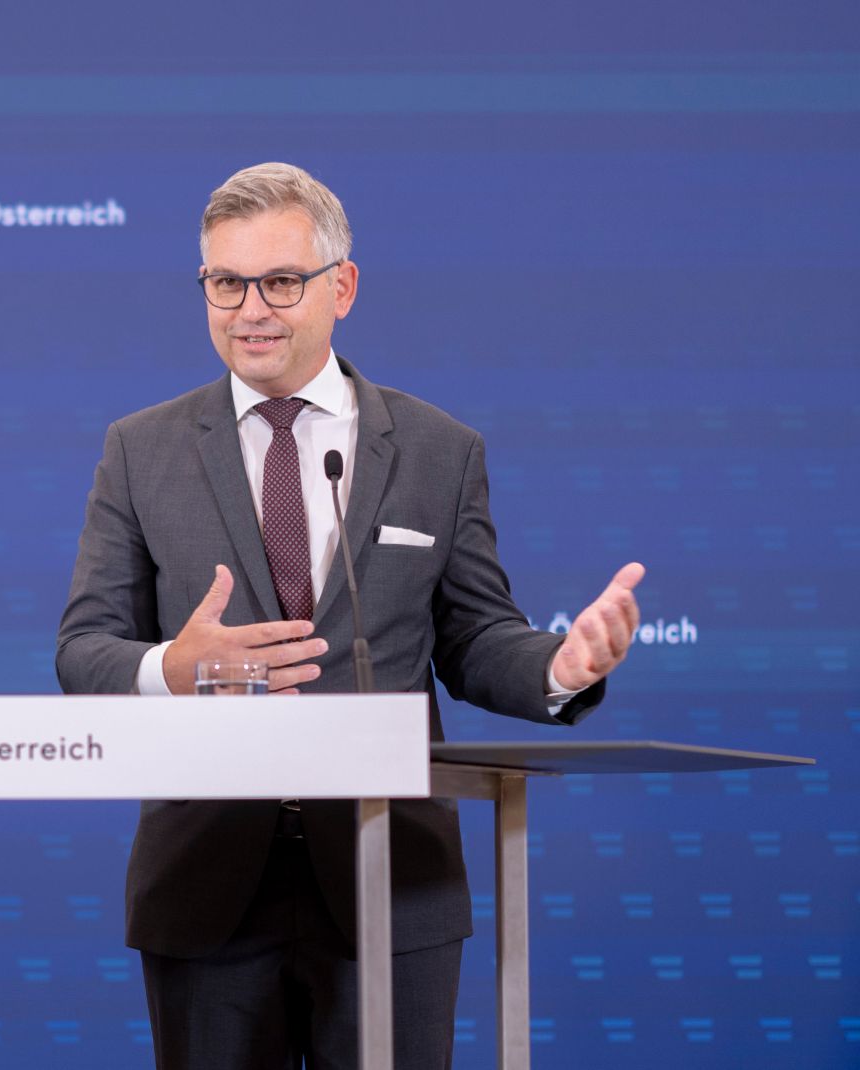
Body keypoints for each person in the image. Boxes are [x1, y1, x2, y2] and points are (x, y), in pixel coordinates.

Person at [55, 163, 644, 1069]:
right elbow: (83, 649)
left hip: (394, 881)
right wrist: (174, 668)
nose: (251, 308)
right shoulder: (142, 450)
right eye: (225, 282)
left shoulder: (440, 452)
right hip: (206, 880)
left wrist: (560, 670)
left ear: (343, 286)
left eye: (280, 281)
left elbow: (477, 636)